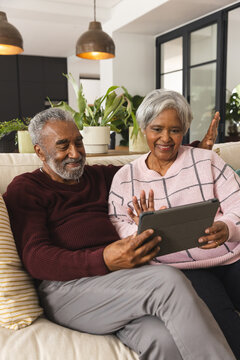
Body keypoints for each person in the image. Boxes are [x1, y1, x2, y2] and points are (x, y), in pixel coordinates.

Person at [3, 108, 235, 360]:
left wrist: (197, 150)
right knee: (168, 280)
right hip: (65, 290)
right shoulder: (26, 188)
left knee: (164, 340)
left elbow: (149, 166)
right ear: (39, 151)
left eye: (78, 142)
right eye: (63, 146)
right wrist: (103, 259)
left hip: (120, 283)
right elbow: (36, 257)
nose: (75, 153)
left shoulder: (100, 176)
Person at [108, 89, 240, 359]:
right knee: (223, 325)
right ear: (144, 128)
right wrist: (143, 228)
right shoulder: (125, 177)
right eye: (157, 129)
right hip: (179, 270)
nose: (166, 139)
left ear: (184, 130)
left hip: (231, 257)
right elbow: (117, 224)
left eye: (175, 130)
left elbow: (238, 204)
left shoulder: (208, 160)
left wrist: (227, 227)